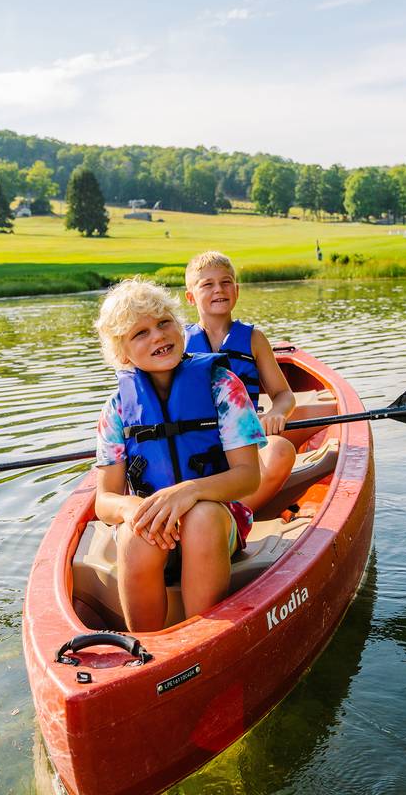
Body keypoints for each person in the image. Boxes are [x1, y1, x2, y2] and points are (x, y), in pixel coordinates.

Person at [94, 277, 265, 632]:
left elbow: (249, 476)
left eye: (164, 323)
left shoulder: (223, 386)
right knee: (134, 531)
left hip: (216, 522)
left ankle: (200, 638)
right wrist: (132, 508)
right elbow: (104, 500)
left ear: (179, 325)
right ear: (123, 352)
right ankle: (148, 647)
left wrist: (189, 491)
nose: (158, 336)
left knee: (200, 517)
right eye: (140, 333)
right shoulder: (117, 409)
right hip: (157, 531)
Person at [184, 250, 297, 514]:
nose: (218, 290)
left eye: (225, 282)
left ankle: (234, 514)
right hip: (197, 444)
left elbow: (284, 394)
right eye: (207, 284)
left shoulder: (254, 338)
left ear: (236, 290)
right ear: (191, 297)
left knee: (280, 450)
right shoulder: (178, 342)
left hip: (243, 443)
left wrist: (276, 413)